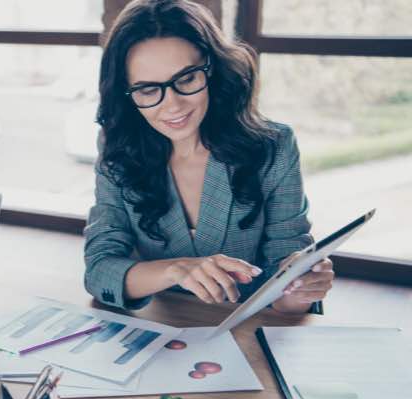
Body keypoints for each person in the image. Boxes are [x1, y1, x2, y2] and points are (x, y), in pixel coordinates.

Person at [84, 0, 334, 312]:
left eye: (187, 79)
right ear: (127, 94)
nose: (173, 106)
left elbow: (286, 271)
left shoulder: (272, 146)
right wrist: (176, 269)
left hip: (250, 327)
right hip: (163, 329)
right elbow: (99, 271)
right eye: (148, 90)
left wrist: (301, 287)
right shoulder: (118, 149)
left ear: (213, 70)